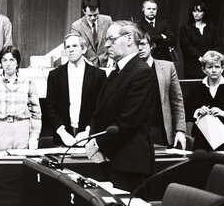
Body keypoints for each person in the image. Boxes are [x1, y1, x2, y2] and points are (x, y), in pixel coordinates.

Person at [84, 21, 159, 191]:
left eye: (111, 39)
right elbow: (101, 111)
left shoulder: (142, 72)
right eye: (106, 40)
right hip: (111, 158)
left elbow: (129, 120)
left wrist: (97, 143)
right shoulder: (117, 70)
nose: (107, 44)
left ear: (129, 38)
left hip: (130, 162)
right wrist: (92, 135)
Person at [44, 34, 105, 146]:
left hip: (89, 135)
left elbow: (100, 107)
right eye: (68, 47)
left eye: (75, 46)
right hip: (62, 135)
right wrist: (62, 132)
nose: (71, 50)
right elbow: (50, 107)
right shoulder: (55, 75)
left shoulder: (98, 75)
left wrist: (88, 131)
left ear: (84, 49)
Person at [0, 46, 41, 151]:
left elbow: (36, 112)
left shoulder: (28, 82)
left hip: (22, 129)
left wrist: (34, 136)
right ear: (1, 63)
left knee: (24, 164)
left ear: (17, 63)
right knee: (1, 164)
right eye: (4, 60)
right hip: (1, 129)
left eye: (11, 60)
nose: (8, 64)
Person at [138, 33, 186, 149]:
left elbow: (177, 101)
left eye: (143, 44)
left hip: (161, 129)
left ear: (151, 46)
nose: (139, 48)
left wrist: (180, 130)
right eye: (136, 45)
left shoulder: (168, 67)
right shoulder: (128, 70)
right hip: (137, 131)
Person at [184, 50, 224, 152]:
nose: (214, 70)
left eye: (217, 67)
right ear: (203, 69)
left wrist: (222, 113)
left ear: (222, 68)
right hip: (202, 142)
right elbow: (187, 114)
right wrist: (197, 112)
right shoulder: (196, 91)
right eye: (210, 67)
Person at [179, 2, 219, 79]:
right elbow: (187, 47)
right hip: (193, 66)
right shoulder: (185, 29)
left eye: (199, 11)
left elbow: (216, 45)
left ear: (204, 13)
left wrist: (211, 58)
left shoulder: (212, 28)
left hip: (210, 64)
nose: (196, 14)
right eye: (194, 11)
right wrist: (200, 58)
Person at [70, 0, 113, 67]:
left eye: (95, 15)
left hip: (107, 63)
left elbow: (113, 41)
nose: (93, 18)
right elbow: (76, 48)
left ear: (99, 11)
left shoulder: (107, 20)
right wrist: (87, 63)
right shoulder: (76, 26)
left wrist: (112, 58)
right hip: (88, 65)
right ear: (84, 11)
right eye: (90, 15)